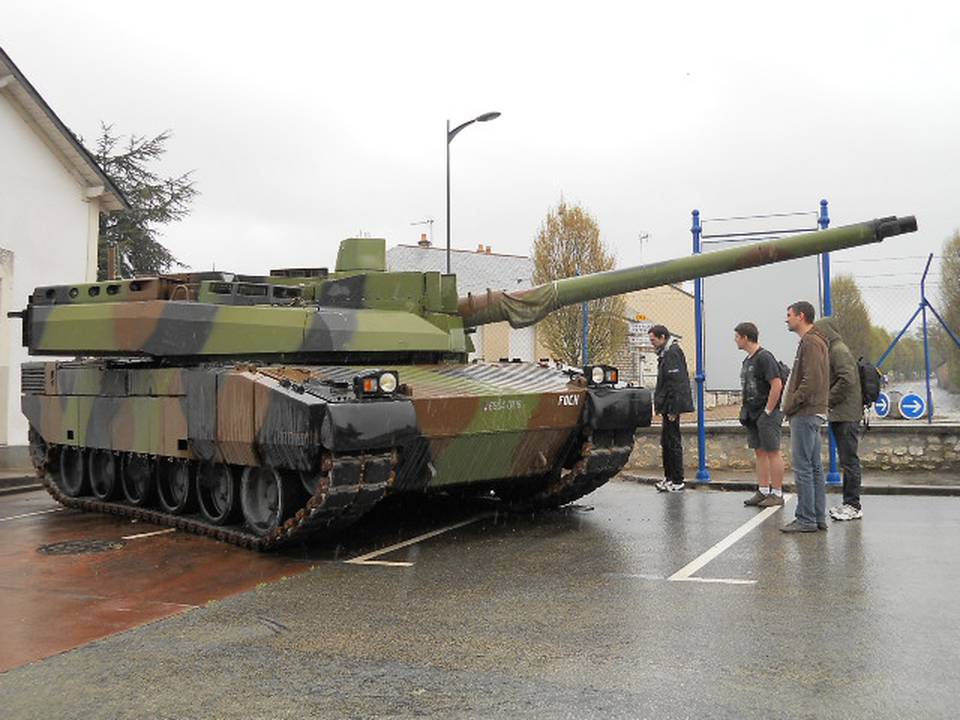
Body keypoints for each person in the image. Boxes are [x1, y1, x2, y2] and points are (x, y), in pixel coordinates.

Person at [781, 301, 830, 533]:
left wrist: (791, 403)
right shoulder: (816, 340)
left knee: (803, 467)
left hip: (805, 412)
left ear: (801, 316)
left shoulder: (810, 342)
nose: (786, 319)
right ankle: (817, 517)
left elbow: (811, 380)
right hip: (813, 411)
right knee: (814, 467)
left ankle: (806, 519)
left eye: (789, 315)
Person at [814, 317, 864, 521]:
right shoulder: (834, 349)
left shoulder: (838, 350)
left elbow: (847, 379)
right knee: (847, 460)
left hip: (846, 414)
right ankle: (849, 503)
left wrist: (827, 399)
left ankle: (853, 505)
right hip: (841, 413)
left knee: (850, 460)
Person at [734, 322, 786, 508]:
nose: (735, 341)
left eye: (737, 337)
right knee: (760, 452)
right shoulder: (748, 360)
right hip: (753, 413)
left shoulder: (764, 357)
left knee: (773, 451)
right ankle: (763, 490)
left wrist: (768, 411)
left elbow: (776, 384)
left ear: (745, 337)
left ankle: (777, 493)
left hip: (767, 413)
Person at [649, 324, 694, 492]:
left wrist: (674, 409)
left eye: (653, 339)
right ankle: (669, 478)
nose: (651, 343)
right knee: (666, 442)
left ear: (662, 337)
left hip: (671, 406)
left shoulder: (672, 353)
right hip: (667, 406)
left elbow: (676, 382)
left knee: (672, 442)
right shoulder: (665, 353)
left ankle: (677, 480)